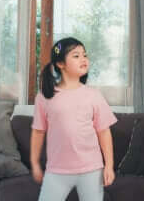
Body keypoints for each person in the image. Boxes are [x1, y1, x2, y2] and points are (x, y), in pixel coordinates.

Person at [30, 37, 117, 201]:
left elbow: (104, 132)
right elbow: (38, 131)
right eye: (76, 56)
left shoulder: (94, 95)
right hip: (57, 171)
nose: (83, 59)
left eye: (85, 55)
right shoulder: (44, 97)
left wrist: (109, 166)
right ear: (60, 64)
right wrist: (34, 163)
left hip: (91, 169)